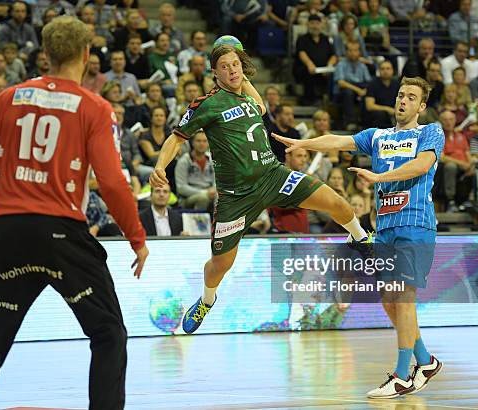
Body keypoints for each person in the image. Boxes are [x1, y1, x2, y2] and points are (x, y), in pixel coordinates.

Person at [0, 16, 148, 409]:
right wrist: (136, 238)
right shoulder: (95, 107)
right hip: (60, 236)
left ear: (45, 54)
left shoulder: (11, 97)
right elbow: (111, 182)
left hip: (7, 235)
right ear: (87, 55)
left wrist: (4, 174)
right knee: (108, 334)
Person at [150, 43, 371, 335]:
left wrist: (243, 73)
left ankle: (361, 239)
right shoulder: (207, 104)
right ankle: (206, 300)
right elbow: (176, 139)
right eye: (225, 66)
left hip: (273, 176)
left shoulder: (251, 99)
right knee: (220, 264)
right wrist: (159, 167)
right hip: (236, 196)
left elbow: (262, 107)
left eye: (236, 64)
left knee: (337, 202)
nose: (232, 70)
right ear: (214, 73)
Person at [276, 76, 445, 398]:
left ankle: (401, 375)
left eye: (411, 97)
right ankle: (426, 361)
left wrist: (379, 176)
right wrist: (303, 144)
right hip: (385, 228)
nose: (403, 100)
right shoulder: (378, 136)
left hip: (415, 225)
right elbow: (337, 141)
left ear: (421, 105)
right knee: (389, 301)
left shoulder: (430, 132)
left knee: (402, 294)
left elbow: (422, 166)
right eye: (400, 95)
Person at [175, 130, 216, 211]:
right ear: (192, 143)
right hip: (188, 198)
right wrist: (204, 192)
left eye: (205, 141)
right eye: (198, 141)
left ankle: (218, 222)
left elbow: (217, 180)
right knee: (203, 198)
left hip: (210, 193)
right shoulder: (184, 161)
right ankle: (199, 222)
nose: (202, 144)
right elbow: (181, 188)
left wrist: (214, 190)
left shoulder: (212, 159)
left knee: (221, 196)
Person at [365, 60, 398, 128]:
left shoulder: (397, 84)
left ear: (393, 71)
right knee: (380, 114)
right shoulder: (372, 84)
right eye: (382, 69)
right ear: (379, 71)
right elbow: (369, 106)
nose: (385, 71)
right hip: (376, 115)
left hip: (393, 113)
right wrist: (387, 109)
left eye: (388, 68)